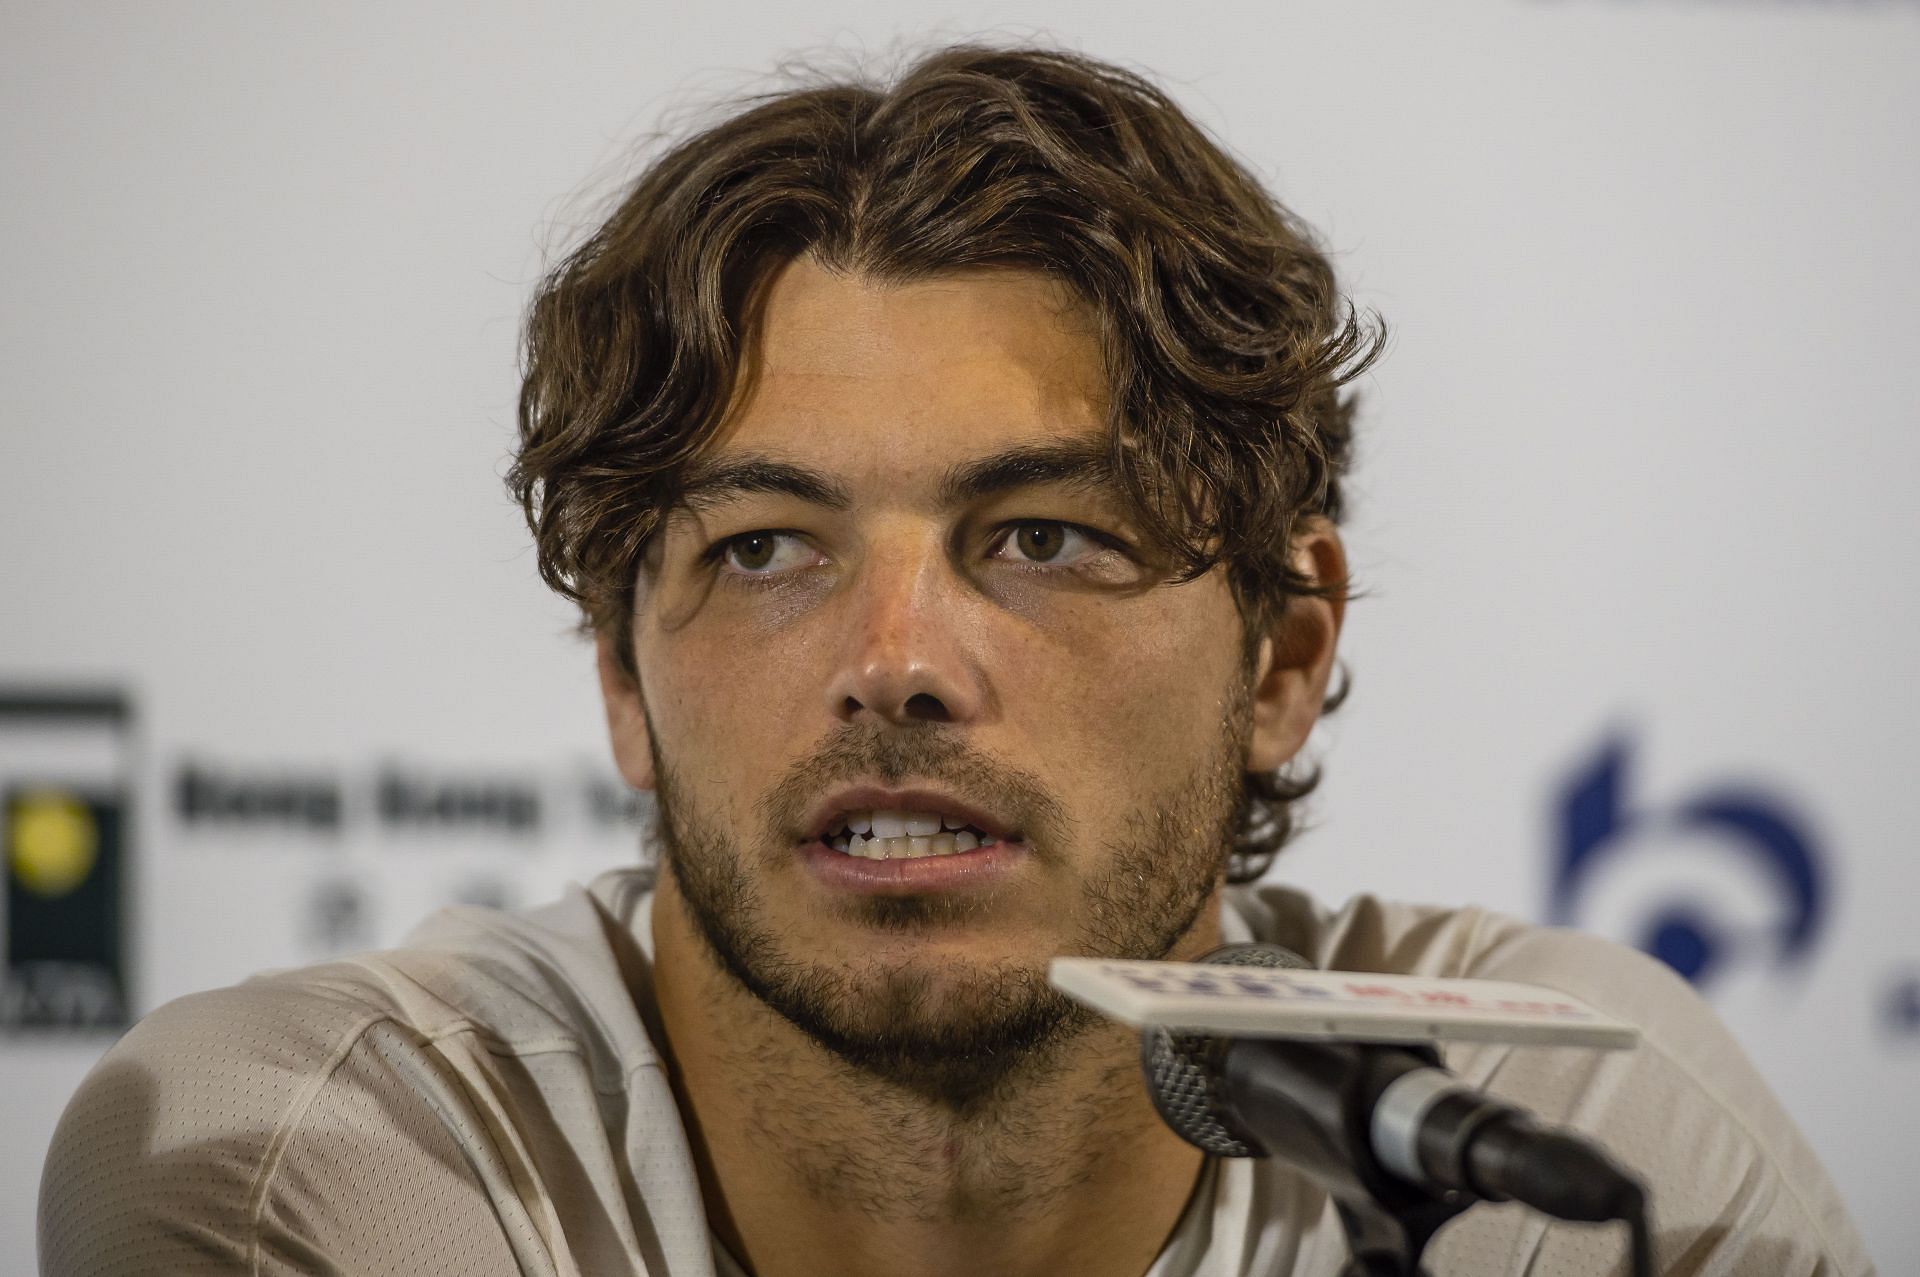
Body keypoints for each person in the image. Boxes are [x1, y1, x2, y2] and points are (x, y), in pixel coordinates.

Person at [39, 44, 1871, 1277]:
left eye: (1043, 539)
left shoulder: (1548, 1158)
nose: (896, 662)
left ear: (1283, 653)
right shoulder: (332, 1161)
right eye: (765, 548)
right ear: (621, 676)